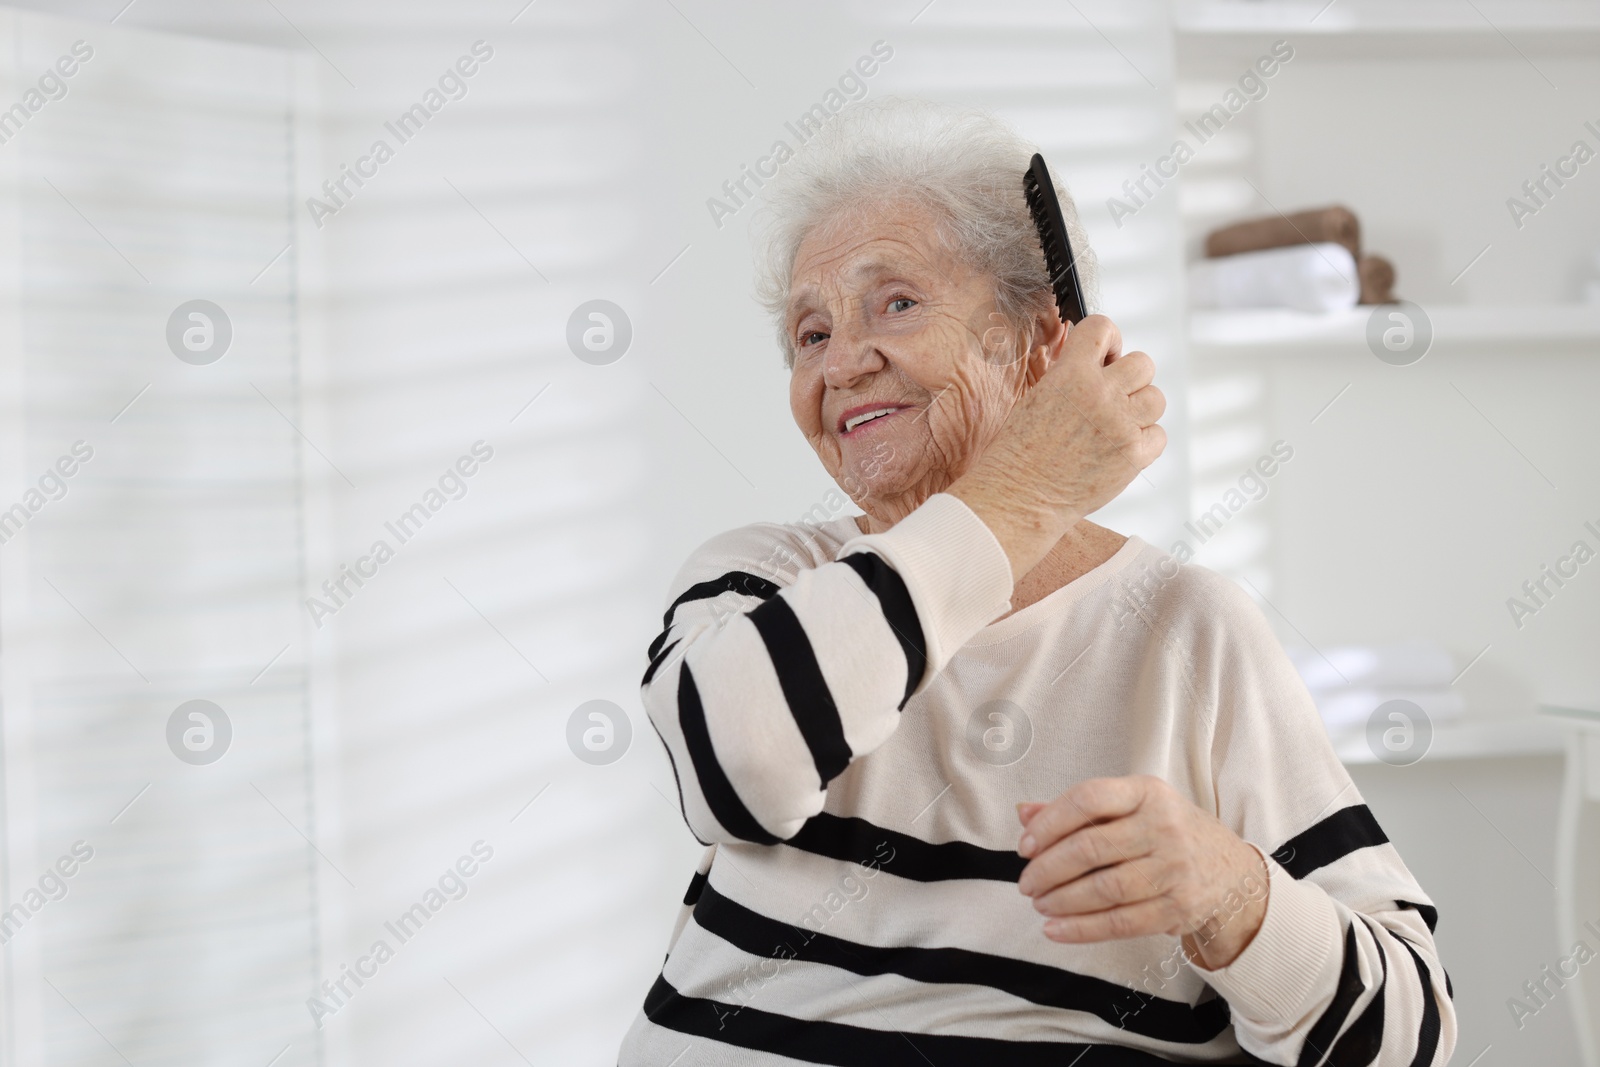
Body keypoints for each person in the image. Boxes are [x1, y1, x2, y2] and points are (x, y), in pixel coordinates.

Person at [618, 96, 1455, 1065]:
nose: (843, 362)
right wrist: (1022, 492)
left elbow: (1408, 1039)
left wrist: (1233, 894)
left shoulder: (1185, 631)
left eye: (894, 302)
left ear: (1041, 346)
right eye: (809, 333)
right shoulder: (762, 576)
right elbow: (738, 765)